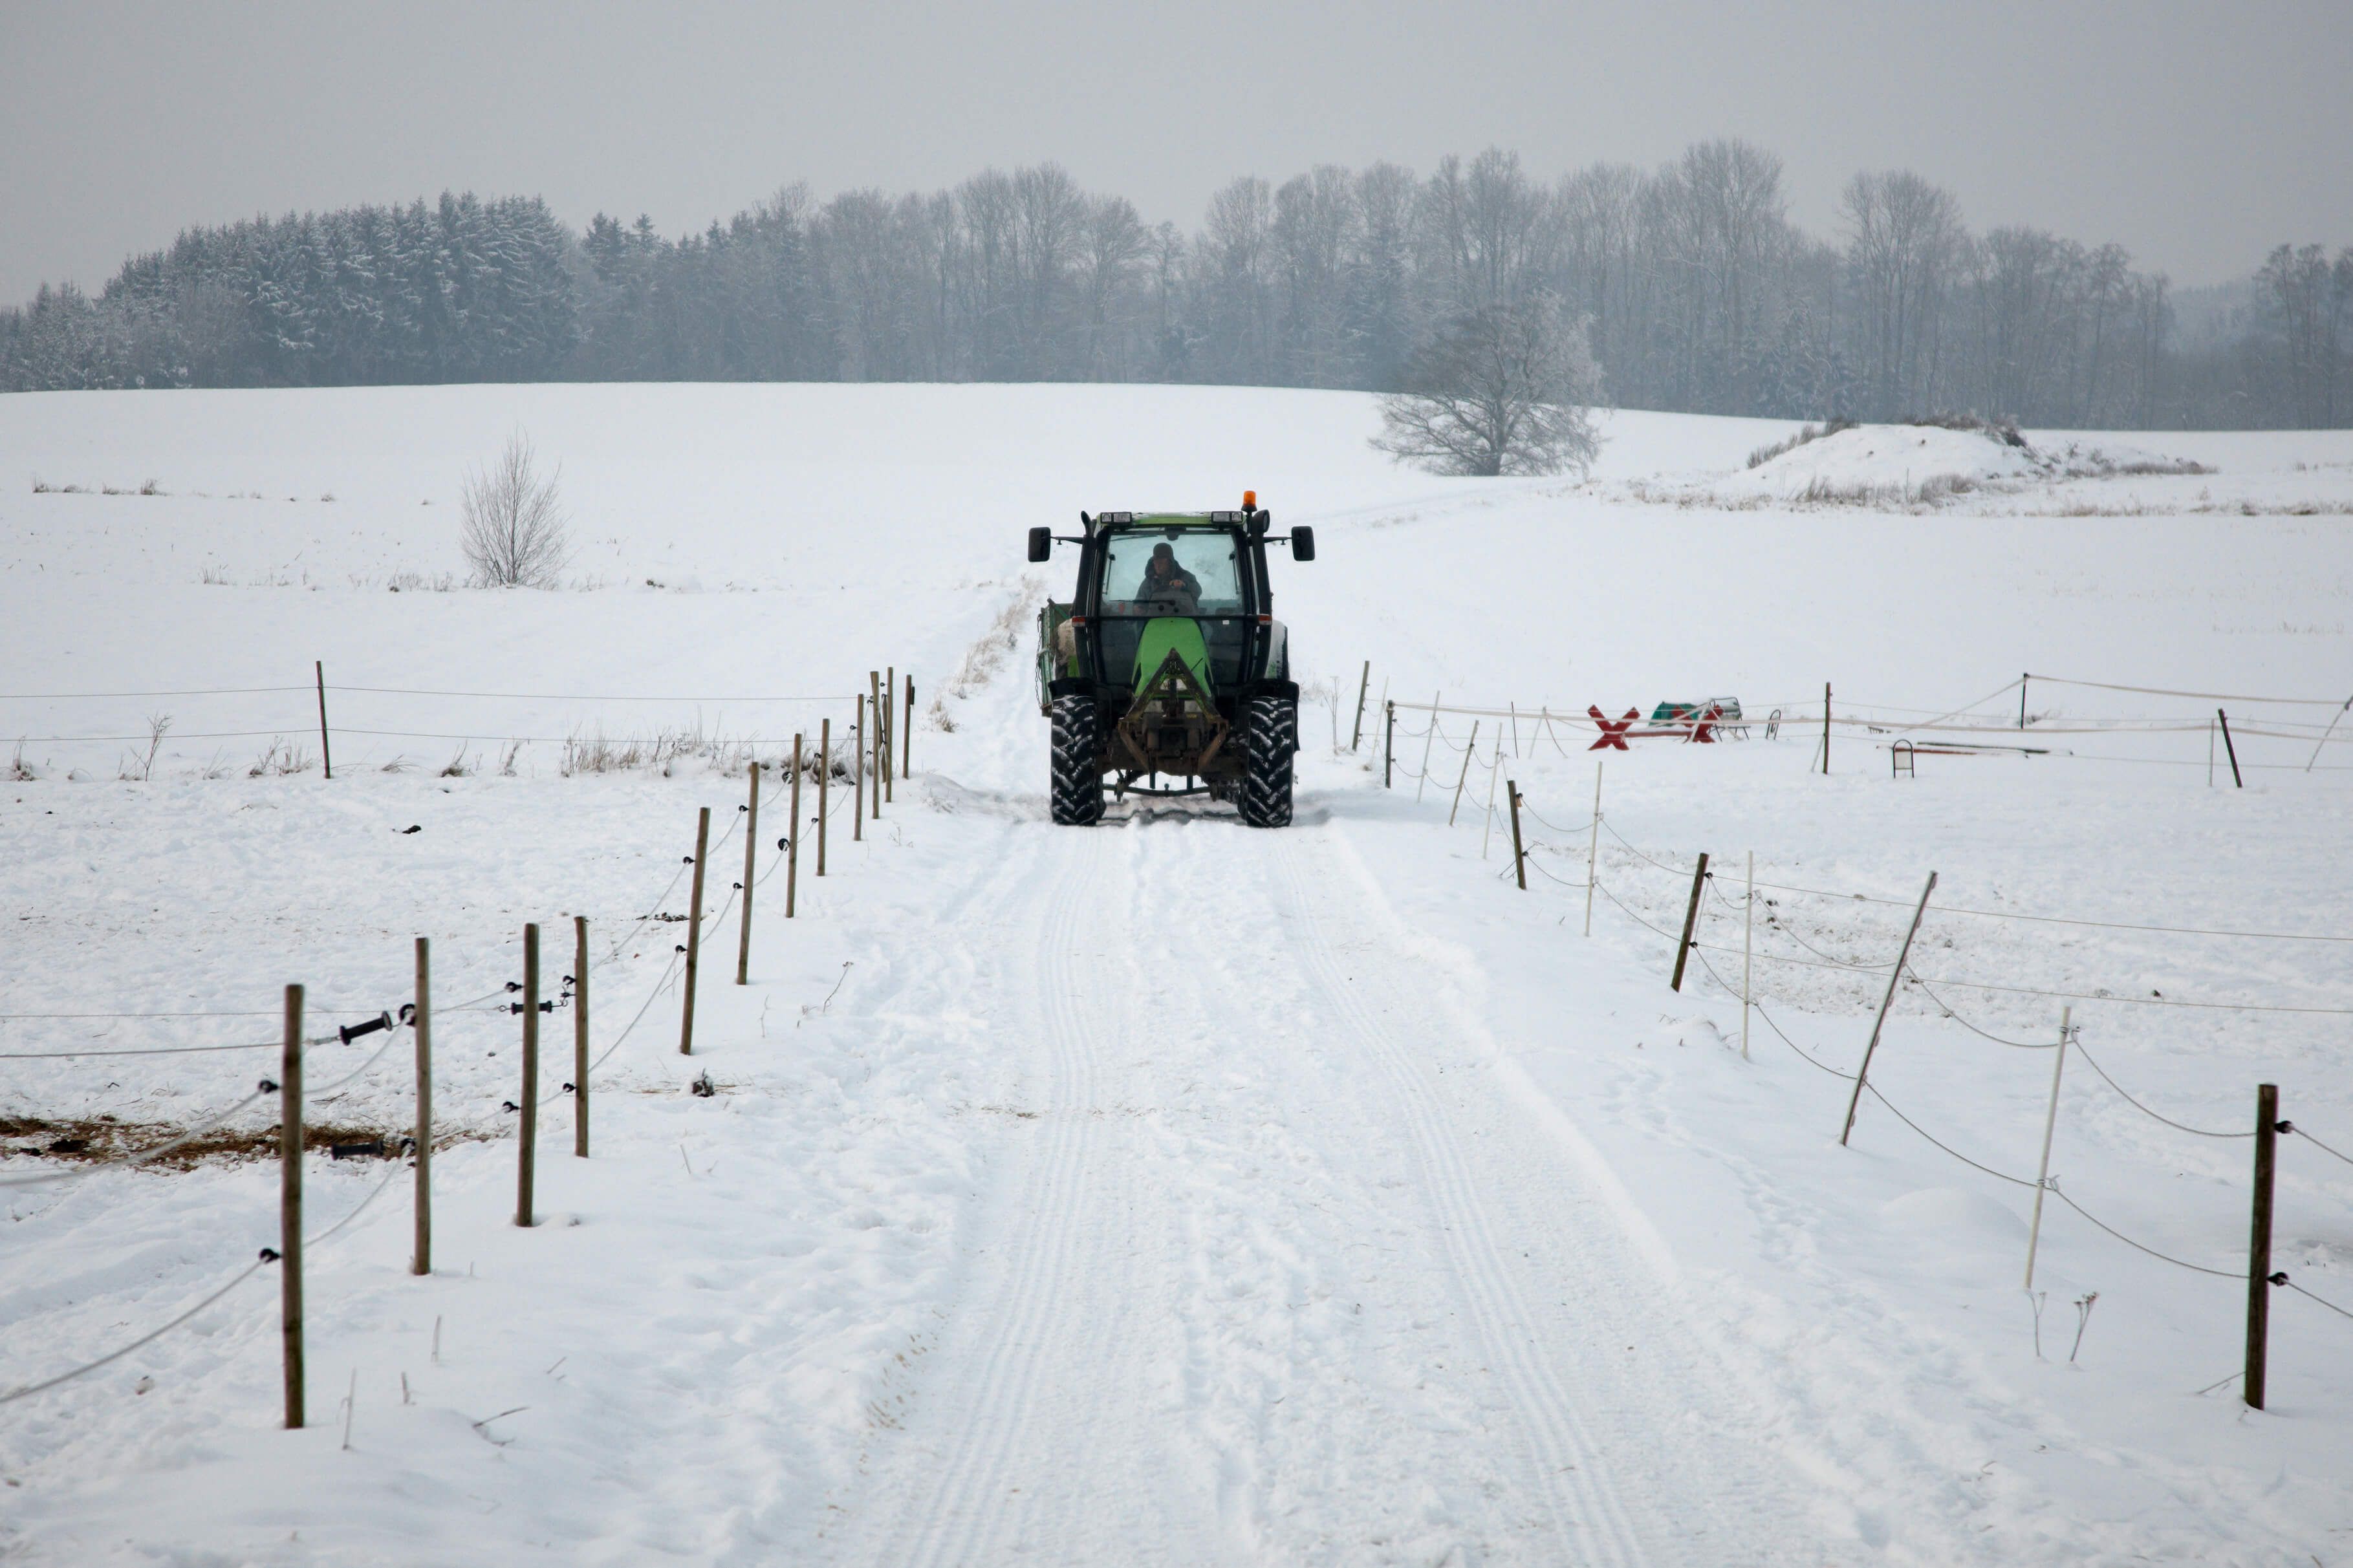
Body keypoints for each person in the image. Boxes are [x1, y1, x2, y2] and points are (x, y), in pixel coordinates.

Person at [1137, 542, 1202, 610]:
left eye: (1161, 563)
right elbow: (1140, 599)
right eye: (1156, 562)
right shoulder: (1149, 580)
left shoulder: (1185, 576)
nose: (1158, 566)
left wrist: (1184, 585)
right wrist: (1138, 607)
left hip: (1184, 617)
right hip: (1155, 618)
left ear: (1170, 563)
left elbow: (1197, 590)